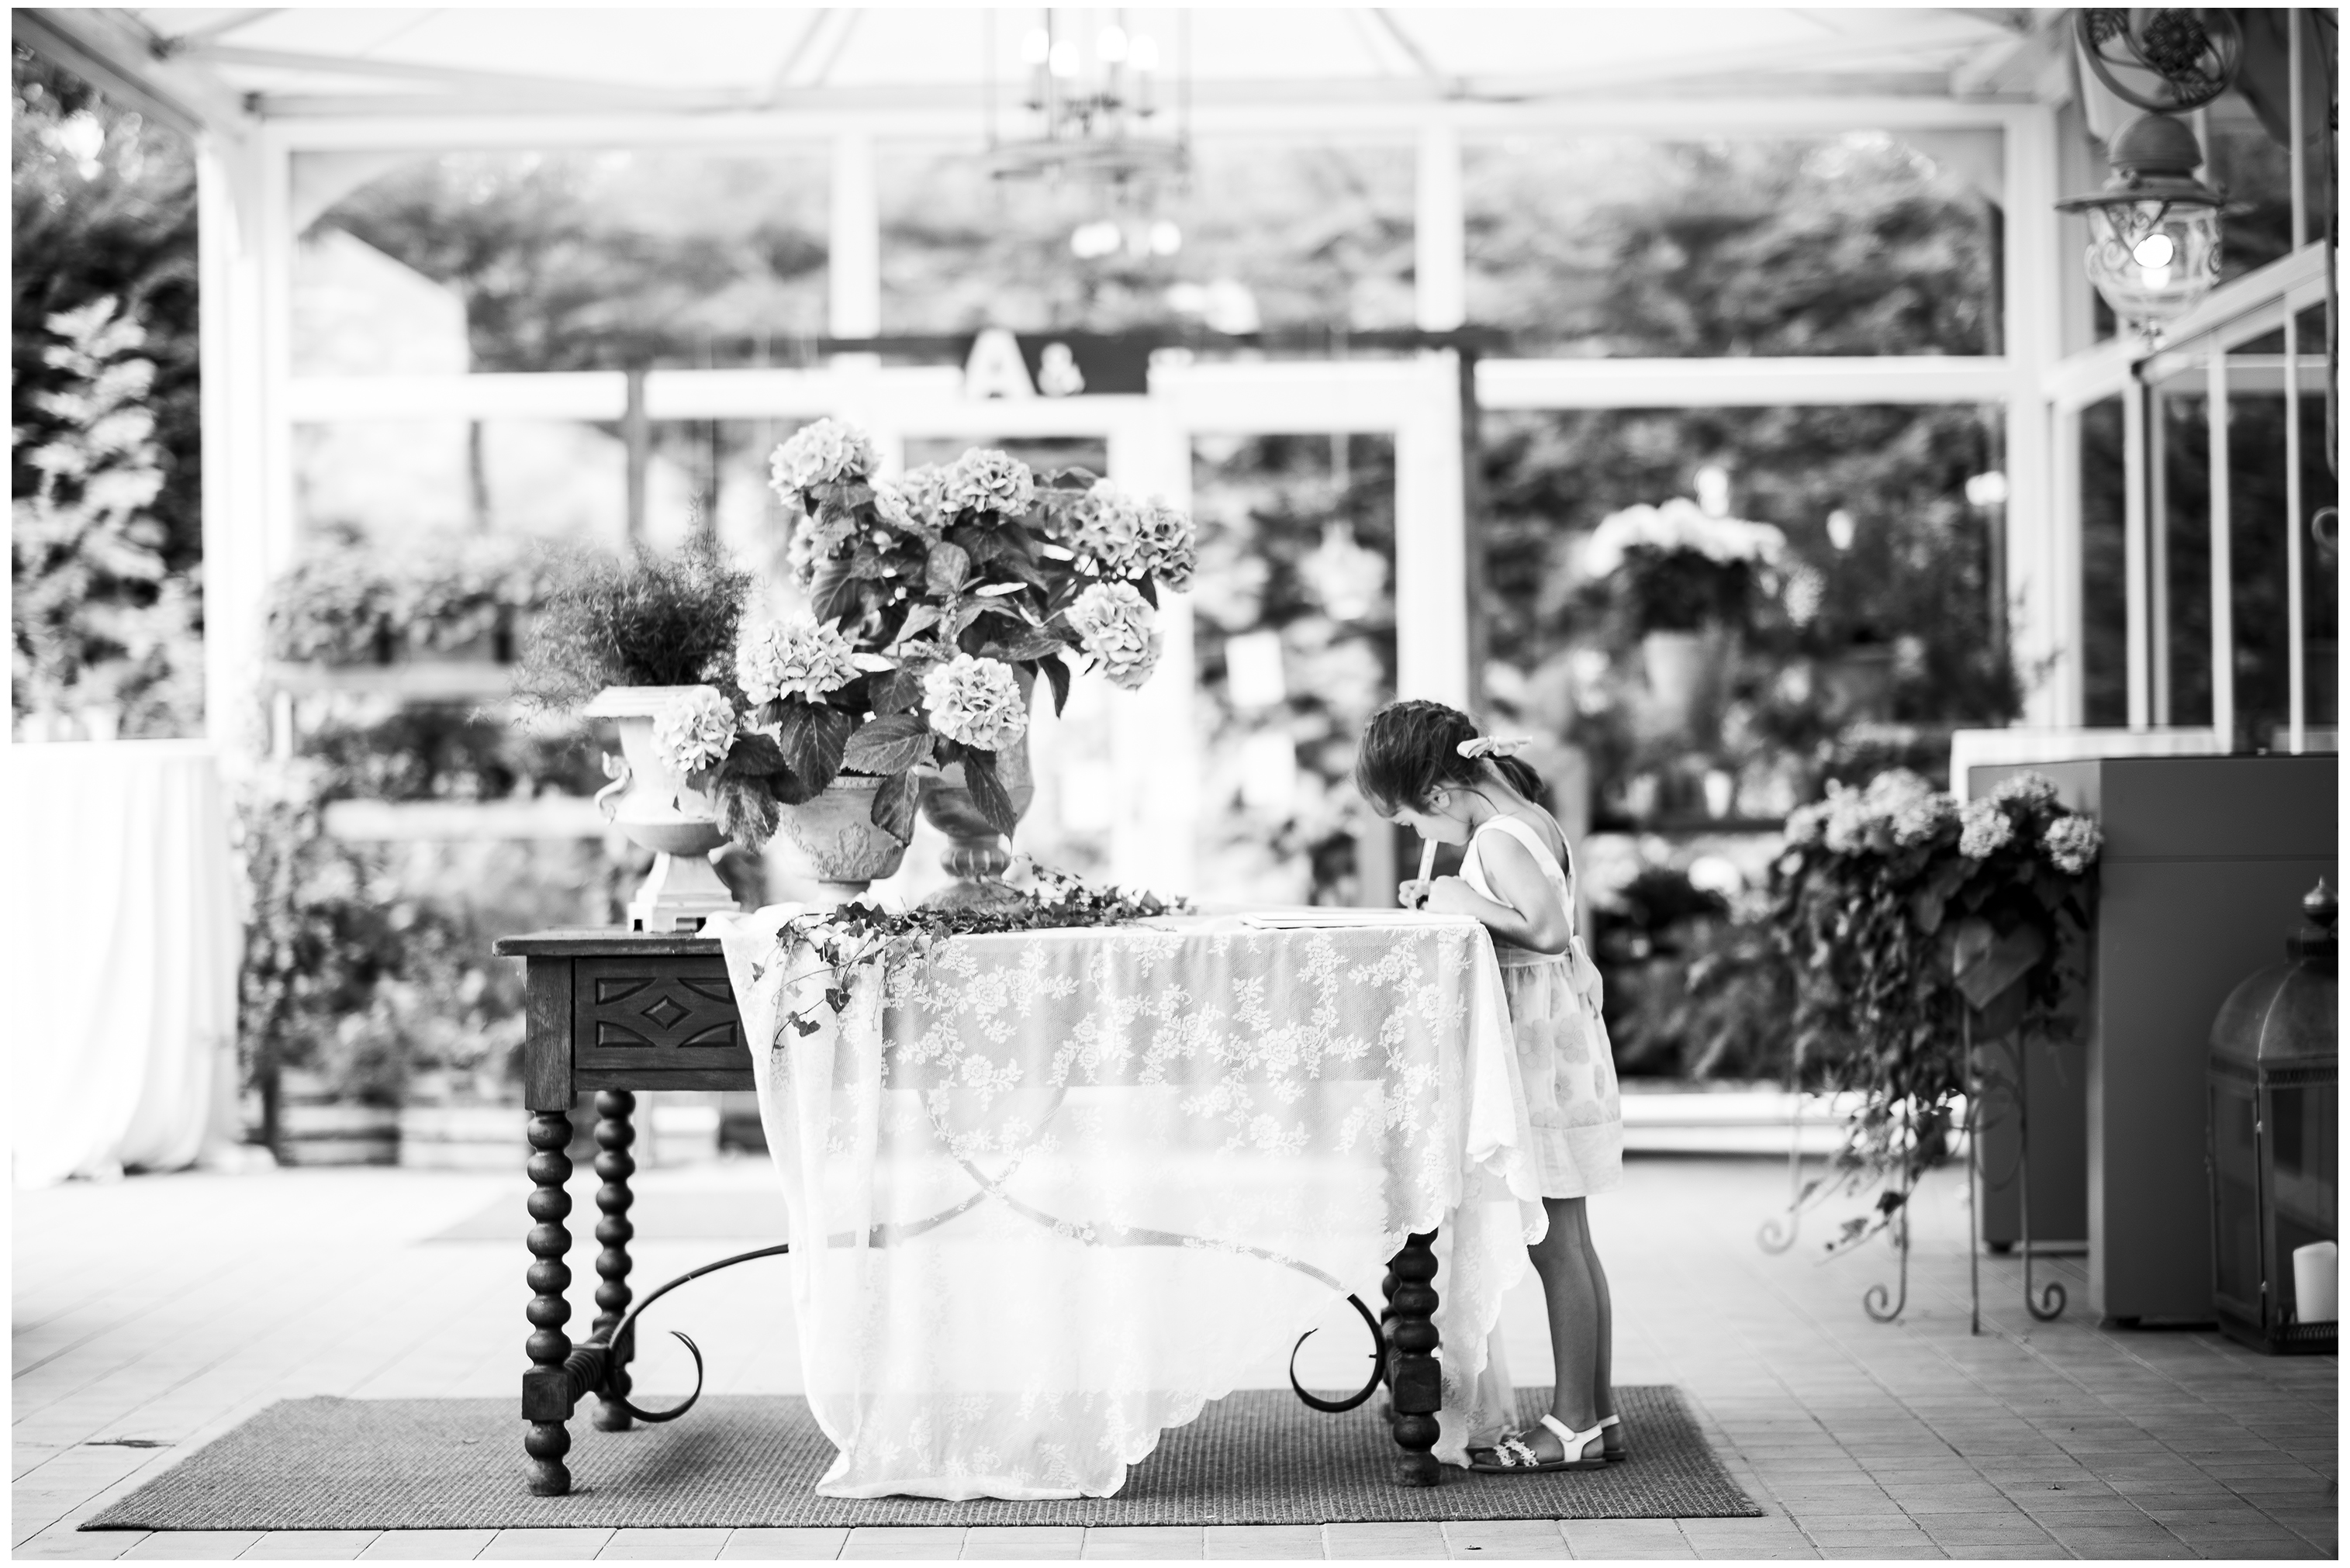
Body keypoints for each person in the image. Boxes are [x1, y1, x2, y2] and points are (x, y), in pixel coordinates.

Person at [1354, 698, 1626, 1474]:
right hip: (1562, 1051)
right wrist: (1455, 904)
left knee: (1553, 1246)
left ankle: (1571, 1421)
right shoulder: (1531, 820)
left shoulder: (1502, 837)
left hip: (1540, 1062)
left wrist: (1464, 901)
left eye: (1411, 822)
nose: (1417, 838)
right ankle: (1598, 1412)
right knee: (1571, 1242)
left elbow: (1544, 931)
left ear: (1440, 795)